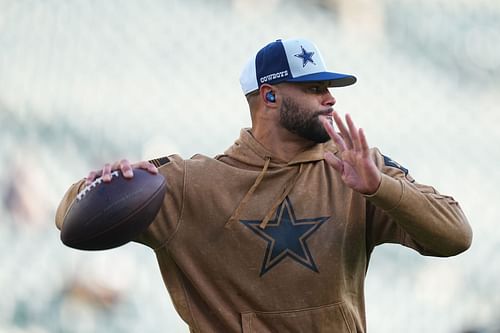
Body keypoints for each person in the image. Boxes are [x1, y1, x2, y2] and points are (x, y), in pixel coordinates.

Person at [55, 38, 472, 332]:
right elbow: (71, 216)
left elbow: (456, 235)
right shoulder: (191, 184)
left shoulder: (357, 170)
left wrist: (379, 187)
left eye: (329, 88)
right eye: (314, 88)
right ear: (269, 97)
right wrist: (101, 181)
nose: (330, 99)